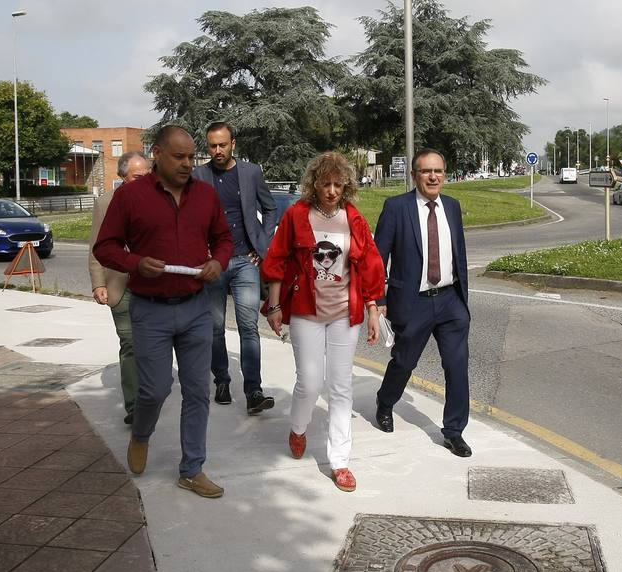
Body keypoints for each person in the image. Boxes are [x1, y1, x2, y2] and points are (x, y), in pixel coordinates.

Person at [94, 126, 232, 499]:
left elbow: (223, 239)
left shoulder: (205, 195)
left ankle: (192, 469)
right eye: (179, 156)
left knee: (198, 391)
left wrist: (218, 262)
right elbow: (105, 247)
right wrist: (136, 263)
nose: (188, 163)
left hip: (196, 308)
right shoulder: (132, 197)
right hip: (150, 310)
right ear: (157, 153)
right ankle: (141, 434)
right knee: (154, 391)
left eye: (191, 157)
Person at [262, 152, 384, 492]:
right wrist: (274, 307)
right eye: (325, 183)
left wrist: (374, 309)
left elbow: (370, 264)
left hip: (346, 313)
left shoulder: (353, 218)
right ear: (313, 183)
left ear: (346, 185)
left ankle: (340, 461)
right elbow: (276, 261)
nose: (331, 190)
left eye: (337, 183)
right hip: (306, 311)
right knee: (310, 382)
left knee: (341, 386)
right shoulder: (297, 215)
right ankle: (298, 428)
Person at [372, 148, 474, 457]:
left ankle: (454, 430)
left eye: (438, 171)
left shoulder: (453, 207)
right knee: (404, 361)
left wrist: (462, 299)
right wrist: (379, 299)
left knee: (457, 366)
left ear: (445, 174)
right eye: (426, 171)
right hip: (412, 302)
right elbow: (379, 257)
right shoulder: (396, 207)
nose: (433, 177)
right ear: (415, 175)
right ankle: (385, 401)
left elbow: (459, 254)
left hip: (450, 301)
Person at [192, 121, 277, 415]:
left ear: (233, 144)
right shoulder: (198, 175)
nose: (217, 150)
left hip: (245, 262)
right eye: (212, 145)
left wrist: (262, 244)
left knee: (249, 328)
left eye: (222, 145)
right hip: (213, 263)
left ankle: (253, 389)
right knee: (215, 328)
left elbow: (270, 208)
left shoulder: (251, 172)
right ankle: (222, 381)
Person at [88, 150, 150, 424]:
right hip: (119, 283)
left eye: (148, 175)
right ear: (123, 177)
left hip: (152, 284)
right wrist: (98, 282)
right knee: (130, 343)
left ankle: (150, 392)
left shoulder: (158, 200)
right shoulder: (106, 202)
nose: (144, 180)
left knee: (150, 343)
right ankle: (135, 406)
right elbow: (95, 247)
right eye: (138, 176)